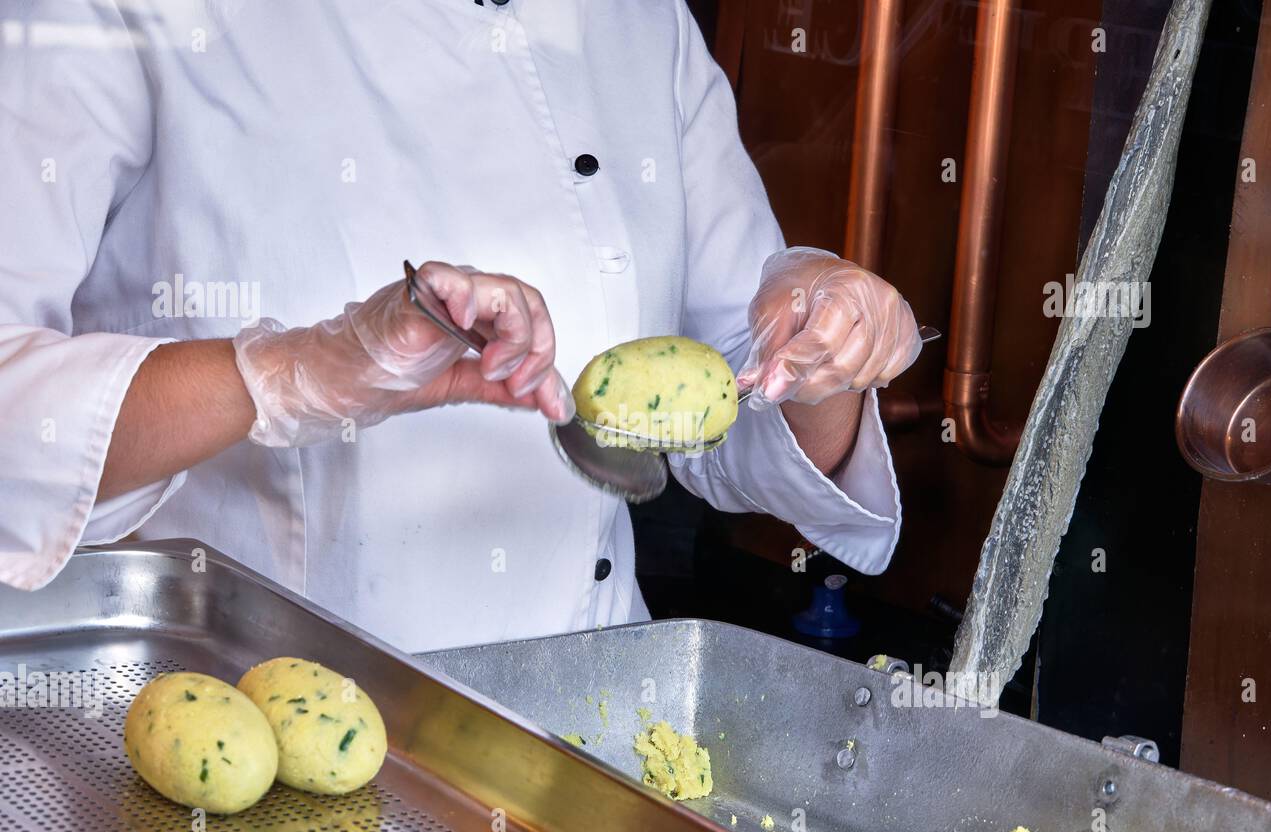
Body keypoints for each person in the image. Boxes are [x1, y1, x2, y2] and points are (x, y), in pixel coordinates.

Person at [0, 0, 921, 652]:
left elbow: (737, 425)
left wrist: (826, 344)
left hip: (581, 728)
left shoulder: (642, 25)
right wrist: (288, 375)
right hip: (257, 719)